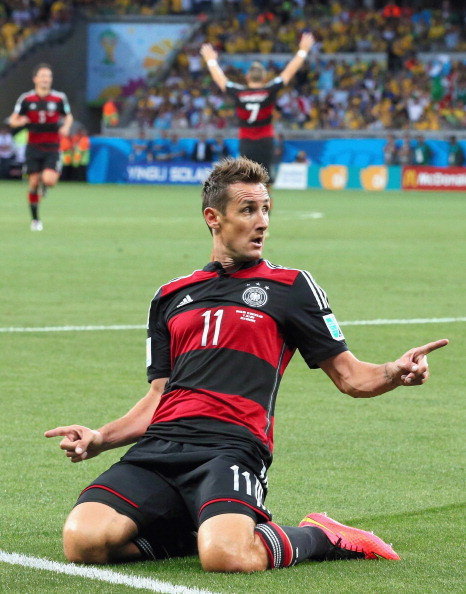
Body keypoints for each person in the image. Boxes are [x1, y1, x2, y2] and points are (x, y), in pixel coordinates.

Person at [45, 157, 448, 572]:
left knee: (228, 558)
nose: (262, 222)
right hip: (160, 449)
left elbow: (350, 377)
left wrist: (394, 372)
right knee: (83, 542)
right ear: (213, 218)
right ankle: (196, 531)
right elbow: (157, 398)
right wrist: (99, 438)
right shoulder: (170, 296)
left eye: (266, 209)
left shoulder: (292, 287)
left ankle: (322, 534)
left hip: (230, 450)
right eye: (248, 210)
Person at [200, 32, 315, 183]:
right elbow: (289, 72)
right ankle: (265, 206)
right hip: (265, 140)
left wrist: (211, 61)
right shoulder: (269, 90)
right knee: (265, 182)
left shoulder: (239, 92)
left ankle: (248, 206)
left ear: (247, 78)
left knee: (248, 180)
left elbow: (221, 80)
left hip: (246, 141)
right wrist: (303, 50)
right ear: (265, 77)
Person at [9, 63, 73, 231]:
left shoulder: (59, 98)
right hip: (33, 146)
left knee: (49, 180)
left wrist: (66, 127)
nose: (46, 79)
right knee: (33, 183)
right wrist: (20, 121)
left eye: (49, 76)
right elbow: (13, 120)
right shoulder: (26, 99)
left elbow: (68, 116)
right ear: (35, 79)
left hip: (52, 146)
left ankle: (45, 187)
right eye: (43, 76)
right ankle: (35, 220)